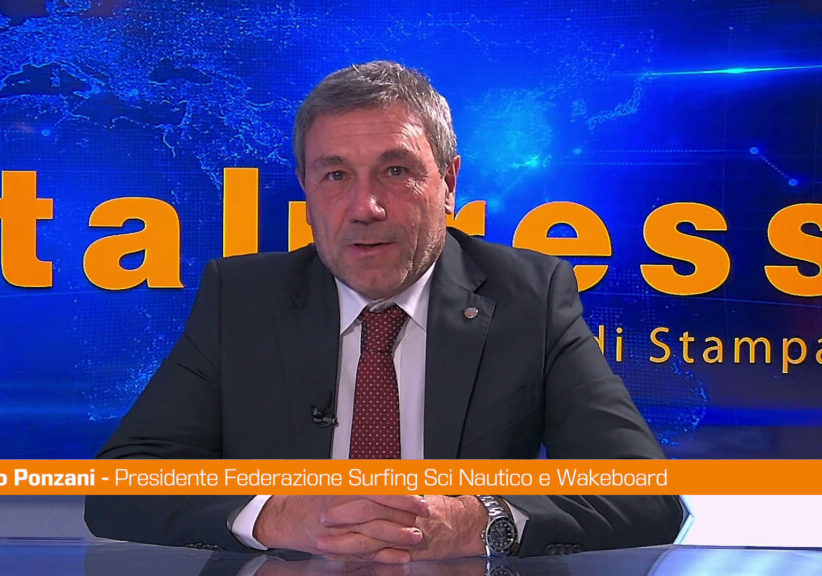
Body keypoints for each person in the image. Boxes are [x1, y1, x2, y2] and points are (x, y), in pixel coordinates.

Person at [84, 60, 683, 562]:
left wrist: (480, 523)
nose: (364, 206)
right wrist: (275, 516)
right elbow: (121, 485)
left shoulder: (530, 296)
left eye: (396, 171)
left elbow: (646, 495)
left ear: (448, 182)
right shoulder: (240, 299)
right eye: (335, 175)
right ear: (306, 189)